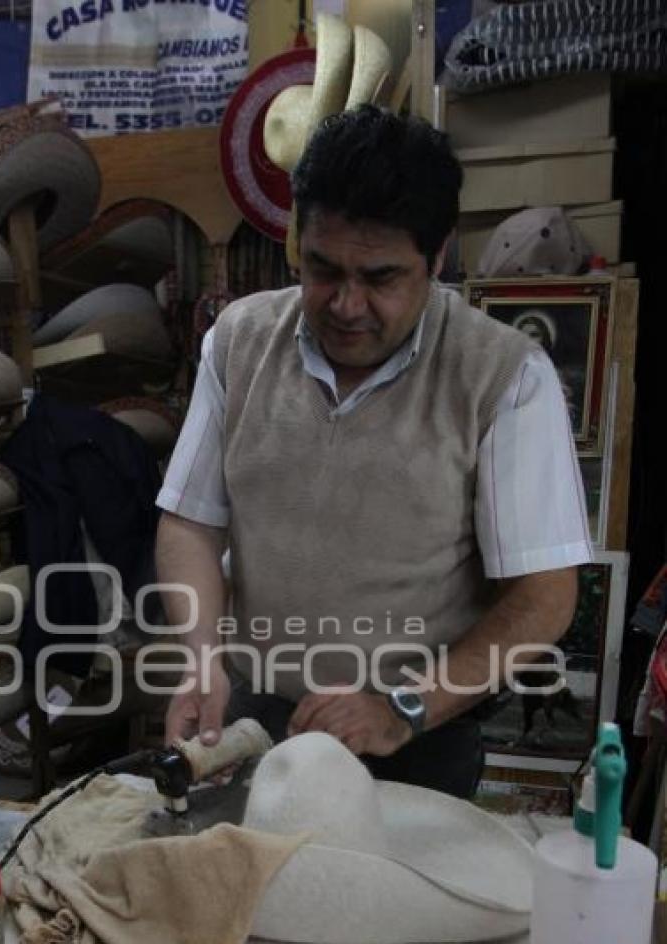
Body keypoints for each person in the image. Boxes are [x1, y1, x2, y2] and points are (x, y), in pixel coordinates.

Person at [154, 107, 592, 798]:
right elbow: (190, 521)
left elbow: (544, 596)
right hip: (254, 716)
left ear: (437, 256)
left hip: (416, 736)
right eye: (323, 269)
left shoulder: (502, 375)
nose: (347, 305)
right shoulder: (239, 343)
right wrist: (201, 655)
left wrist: (403, 710)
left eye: (381, 277)